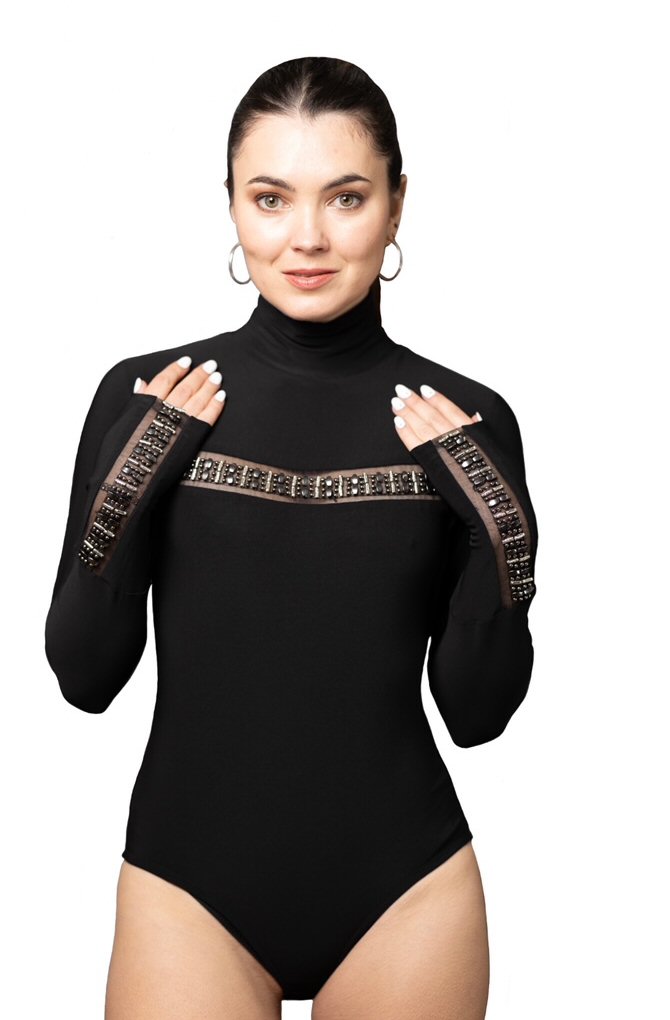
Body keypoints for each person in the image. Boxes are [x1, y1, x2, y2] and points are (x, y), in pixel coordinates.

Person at [44, 56, 538, 1020]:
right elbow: (85, 677)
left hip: (409, 890)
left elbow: (477, 714)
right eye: (270, 199)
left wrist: (503, 543)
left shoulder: (463, 417)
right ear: (231, 206)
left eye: (346, 198)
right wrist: (127, 488)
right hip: (188, 886)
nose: (306, 237)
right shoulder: (147, 397)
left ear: (396, 205)